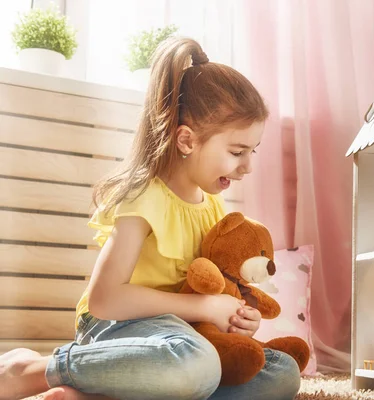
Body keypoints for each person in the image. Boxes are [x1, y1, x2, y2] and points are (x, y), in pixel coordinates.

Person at [0, 37, 301, 400]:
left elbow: (216, 289)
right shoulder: (144, 199)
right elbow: (105, 301)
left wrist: (237, 320)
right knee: (195, 364)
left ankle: (97, 396)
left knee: (280, 373)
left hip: (182, 337)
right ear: (187, 140)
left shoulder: (213, 209)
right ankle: (34, 370)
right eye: (237, 152)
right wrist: (201, 306)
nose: (248, 166)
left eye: (252, 151)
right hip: (117, 331)